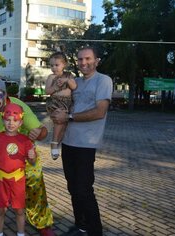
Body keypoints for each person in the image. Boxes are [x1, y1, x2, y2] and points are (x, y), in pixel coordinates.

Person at [0, 77, 55, 236]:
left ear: (5, 95)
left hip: (22, 153)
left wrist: (39, 133)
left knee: (34, 180)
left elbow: (43, 132)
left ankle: (41, 222)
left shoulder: (19, 106)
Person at [50, 46, 113, 236]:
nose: (83, 63)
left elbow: (100, 112)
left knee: (84, 189)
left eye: (87, 59)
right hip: (69, 141)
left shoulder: (103, 81)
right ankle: (81, 225)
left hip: (86, 143)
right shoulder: (74, 81)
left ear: (96, 60)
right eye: (80, 60)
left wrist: (67, 117)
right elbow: (56, 95)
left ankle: (95, 231)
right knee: (72, 187)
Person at [0, 103, 37, 236]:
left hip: (18, 180)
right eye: (8, 120)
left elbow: (32, 162)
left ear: (20, 123)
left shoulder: (25, 141)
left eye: (15, 120)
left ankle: (21, 233)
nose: (11, 123)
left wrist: (32, 157)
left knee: (19, 210)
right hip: (1, 180)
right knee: (0, 210)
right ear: (3, 120)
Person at [45, 52, 77, 160]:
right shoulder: (51, 77)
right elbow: (47, 91)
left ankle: (57, 144)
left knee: (64, 126)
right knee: (59, 123)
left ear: (64, 65)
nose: (54, 68)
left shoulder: (69, 75)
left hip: (67, 103)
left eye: (56, 65)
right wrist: (55, 87)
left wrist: (67, 80)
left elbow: (74, 86)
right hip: (56, 102)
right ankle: (54, 143)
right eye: (51, 65)